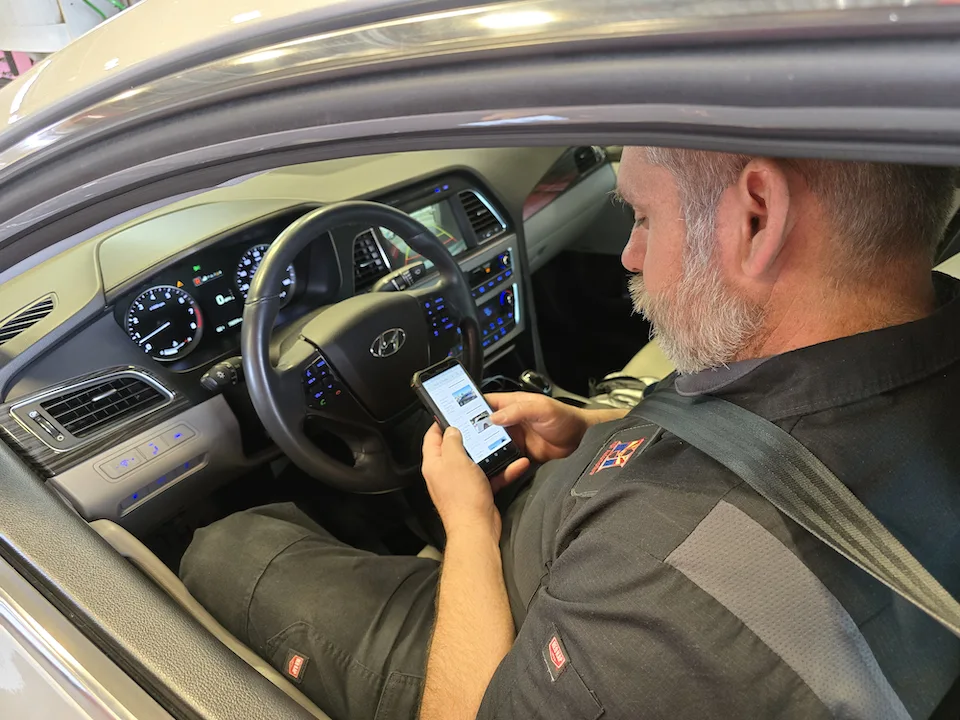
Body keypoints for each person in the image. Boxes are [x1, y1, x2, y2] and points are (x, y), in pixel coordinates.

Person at [181, 147, 960, 719]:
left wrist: (468, 529)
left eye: (643, 216)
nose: (629, 253)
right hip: (584, 538)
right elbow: (754, 437)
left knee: (228, 547)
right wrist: (595, 427)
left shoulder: (665, 615)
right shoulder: (910, 342)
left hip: (526, 629)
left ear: (756, 217)